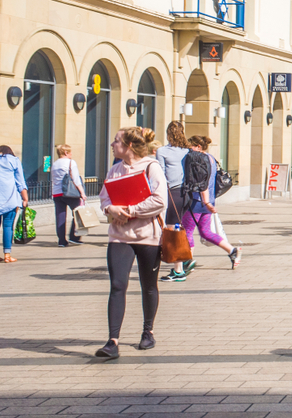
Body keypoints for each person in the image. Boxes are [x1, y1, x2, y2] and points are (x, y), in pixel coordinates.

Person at [96, 127, 167, 360]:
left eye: (116, 141)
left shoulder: (151, 167)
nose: (112, 145)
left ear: (127, 146)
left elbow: (159, 200)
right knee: (117, 284)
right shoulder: (115, 170)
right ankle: (112, 341)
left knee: (148, 285)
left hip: (148, 236)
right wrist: (110, 208)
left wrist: (131, 210)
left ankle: (148, 331)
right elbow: (104, 196)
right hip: (119, 236)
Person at [181, 136, 242, 269]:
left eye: (190, 146)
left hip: (198, 200)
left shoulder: (197, 159)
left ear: (198, 146)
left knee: (187, 231)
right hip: (209, 201)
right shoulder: (211, 158)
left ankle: (187, 261)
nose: (188, 149)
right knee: (205, 232)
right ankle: (232, 251)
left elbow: (200, 182)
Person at [156, 122, 192, 282]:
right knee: (179, 227)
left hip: (173, 193)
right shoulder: (187, 151)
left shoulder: (162, 151)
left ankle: (178, 270)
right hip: (187, 194)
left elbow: (161, 176)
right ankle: (184, 260)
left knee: (172, 229)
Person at [0, 146, 27, 264]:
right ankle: (7, 255)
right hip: (10, 200)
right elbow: (20, 182)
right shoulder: (14, 161)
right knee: (8, 227)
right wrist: (25, 198)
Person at [51, 144, 87, 247]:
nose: (71, 154)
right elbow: (75, 179)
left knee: (60, 217)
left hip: (57, 193)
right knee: (78, 213)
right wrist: (82, 193)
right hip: (70, 193)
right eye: (70, 152)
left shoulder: (55, 164)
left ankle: (62, 240)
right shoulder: (71, 163)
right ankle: (74, 237)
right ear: (66, 152)